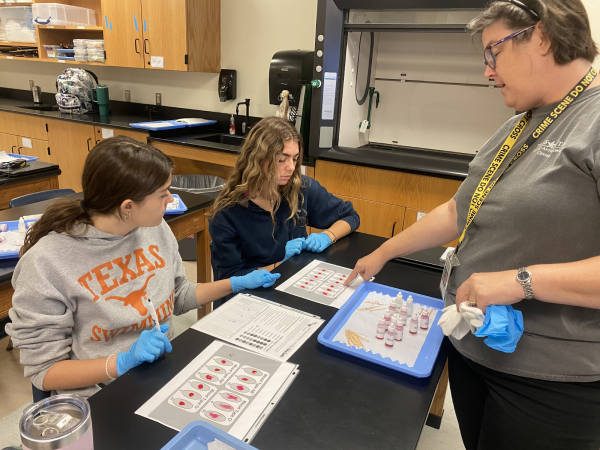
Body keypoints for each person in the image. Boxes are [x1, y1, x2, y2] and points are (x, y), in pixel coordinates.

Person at [345, 1, 600, 448]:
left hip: (550, 384)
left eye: (493, 53)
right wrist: (384, 251)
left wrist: (521, 282)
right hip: (476, 353)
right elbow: (460, 211)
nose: (487, 71)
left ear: (541, 37)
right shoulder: (520, 124)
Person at [6, 136, 279, 398]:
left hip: (159, 373)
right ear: (127, 206)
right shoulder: (46, 263)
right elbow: (45, 371)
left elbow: (177, 296)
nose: (171, 199)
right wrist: (122, 362)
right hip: (102, 395)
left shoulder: (154, 228)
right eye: (162, 193)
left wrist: (237, 283)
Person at [208, 116, 360, 285]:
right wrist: (280, 265)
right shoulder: (228, 212)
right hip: (253, 295)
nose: (291, 167)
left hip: (294, 282)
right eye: (282, 159)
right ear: (258, 158)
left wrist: (327, 236)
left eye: (295, 158)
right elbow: (229, 279)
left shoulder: (300, 188)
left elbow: (350, 216)